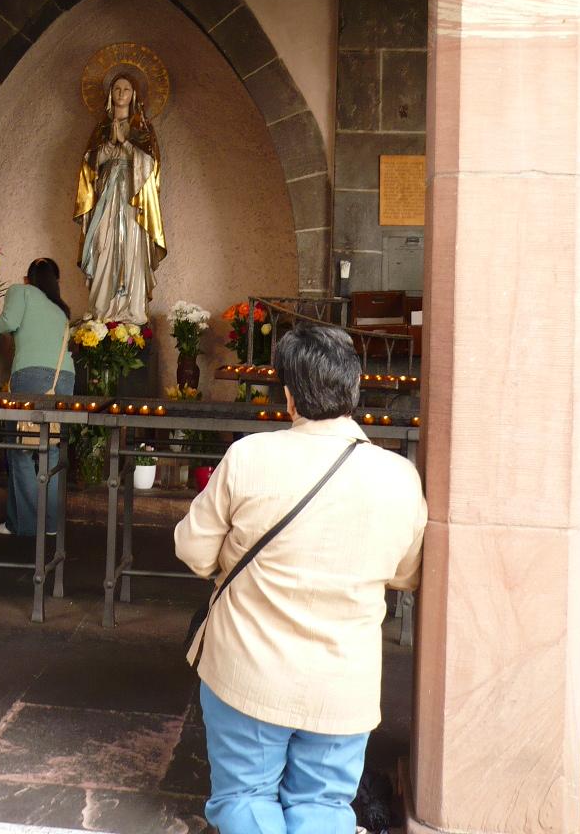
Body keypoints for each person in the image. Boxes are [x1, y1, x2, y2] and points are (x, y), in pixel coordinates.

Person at [174, 321, 427, 834]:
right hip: (342, 685)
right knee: (325, 807)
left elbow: (193, 550)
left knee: (245, 797)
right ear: (353, 389)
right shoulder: (399, 477)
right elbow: (406, 573)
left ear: (288, 395)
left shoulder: (249, 457)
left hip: (248, 671)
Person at [0, 257, 75, 538]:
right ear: (55, 282)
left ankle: (23, 525)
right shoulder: (61, 310)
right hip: (63, 378)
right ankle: (50, 525)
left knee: (21, 449)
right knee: (51, 448)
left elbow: (7, 321)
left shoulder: (21, 291)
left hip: (32, 377)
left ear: (28, 279)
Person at [74, 73, 166, 324]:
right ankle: (102, 309)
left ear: (134, 94)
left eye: (126, 89)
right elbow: (89, 166)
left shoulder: (143, 129)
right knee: (102, 243)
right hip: (106, 197)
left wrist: (125, 143)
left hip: (132, 200)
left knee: (130, 249)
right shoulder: (101, 129)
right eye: (116, 88)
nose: (121, 93)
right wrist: (108, 145)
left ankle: (130, 310)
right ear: (110, 93)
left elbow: (150, 166)